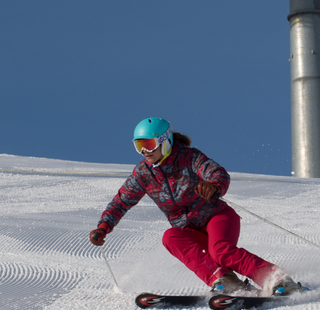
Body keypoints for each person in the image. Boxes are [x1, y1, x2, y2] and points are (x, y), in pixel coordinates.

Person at [89, 117, 303, 295]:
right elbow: (121, 201)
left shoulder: (189, 158)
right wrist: (103, 227)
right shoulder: (143, 173)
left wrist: (214, 186)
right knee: (170, 237)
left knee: (220, 251)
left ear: (165, 141)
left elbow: (217, 173)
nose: (145, 151)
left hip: (217, 217)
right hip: (188, 229)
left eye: (149, 144)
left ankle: (277, 279)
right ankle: (225, 280)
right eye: (139, 146)